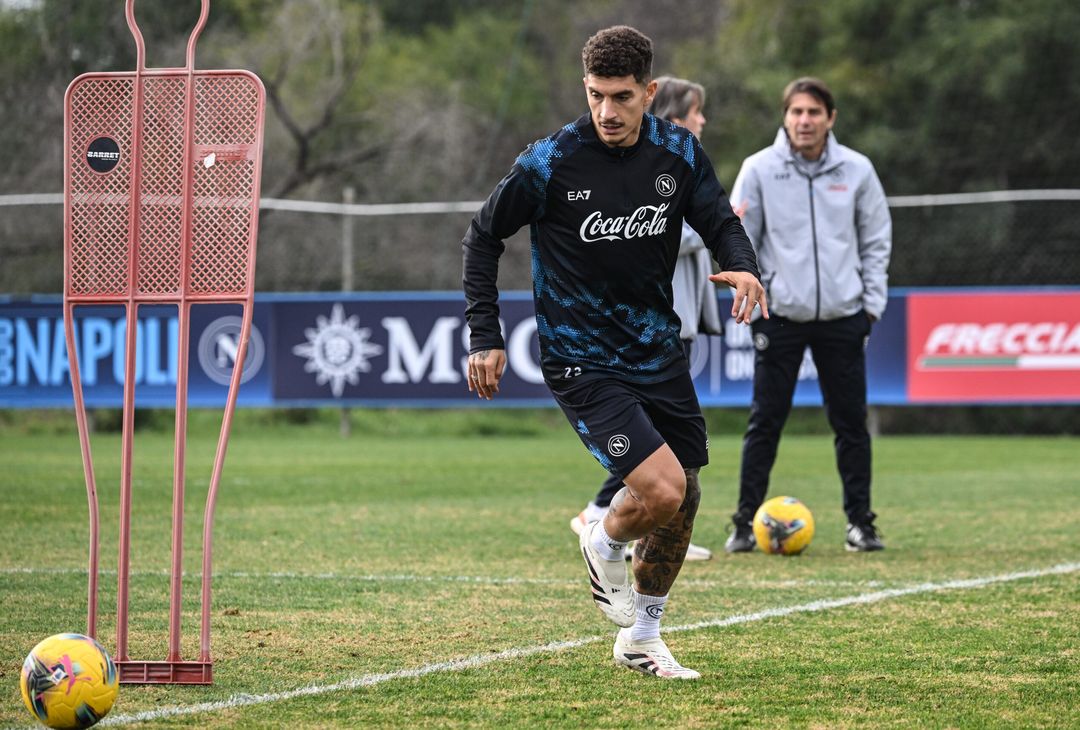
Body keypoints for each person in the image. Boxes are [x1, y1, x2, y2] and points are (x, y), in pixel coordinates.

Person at [462, 26, 766, 679]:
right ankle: (601, 539)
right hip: (581, 356)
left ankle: (642, 638)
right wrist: (484, 334)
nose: (607, 111)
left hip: (657, 349)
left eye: (622, 97)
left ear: (649, 93)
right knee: (661, 488)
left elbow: (720, 221)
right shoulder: (550, 161)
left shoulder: (678, 152)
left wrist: (742, 264)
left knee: (684, 495)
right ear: (585, 89)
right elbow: (483, 235)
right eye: (596, 95)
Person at [723, 77, 892, 554]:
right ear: (785, 116)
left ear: (830, 118)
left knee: (851, 424)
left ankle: (861, 524)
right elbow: (739, 238)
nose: (804, 120)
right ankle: (744, 524)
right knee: (765, 421)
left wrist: (871, 306)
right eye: (796, 111)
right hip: (780, 316)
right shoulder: (759, 168)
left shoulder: (857, 169)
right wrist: (756, 300)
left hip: (843, 315)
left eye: (814, 112)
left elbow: (876, 239)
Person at [568, 75, 721, 563]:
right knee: (652, 436)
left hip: (678, 319)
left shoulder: (685, 162)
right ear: (674, 115)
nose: (702, 120)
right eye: (695, 112)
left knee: (664, 439)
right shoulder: (647, 164)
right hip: (651, 325)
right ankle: (600, 513)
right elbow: (665, 232)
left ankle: (651, 524)